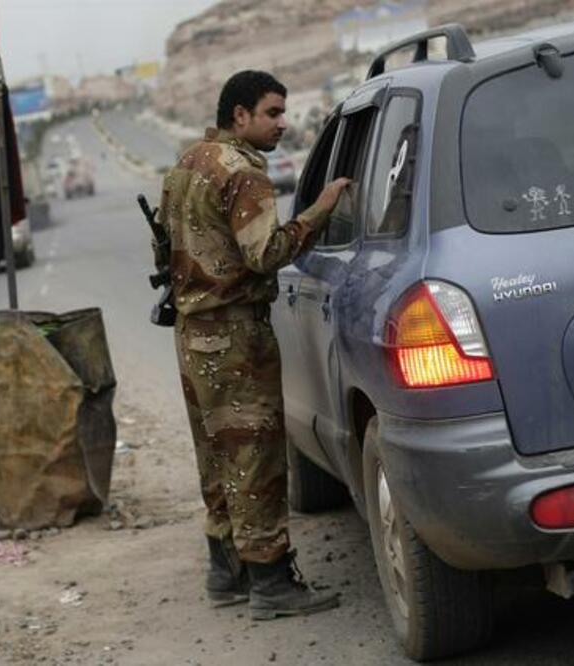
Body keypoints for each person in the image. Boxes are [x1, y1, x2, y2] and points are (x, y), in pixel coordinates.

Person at [157, 70, 350, 620]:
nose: (282, 124)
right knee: (256, 455)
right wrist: (321, 210)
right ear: (239, 116)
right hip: (236, 333)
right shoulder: (243, 174)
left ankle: (227, 572)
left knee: (217, 455)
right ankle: (271, 581)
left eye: (283, 113)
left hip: (194, 334)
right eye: (272, 113)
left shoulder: (188, 164)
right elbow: (265, 254)